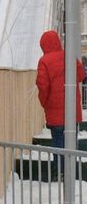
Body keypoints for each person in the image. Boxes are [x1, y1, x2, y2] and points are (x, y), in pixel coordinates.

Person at [35, 30, 85, 176]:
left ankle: (60, 172)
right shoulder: (68, 56)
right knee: (71, 144)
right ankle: (72, 172)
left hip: (54, 113)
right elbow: (81, 75)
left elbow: (43, 86)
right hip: (72, 110)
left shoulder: (44, 61)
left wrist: (44, 103)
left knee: (58, 143)